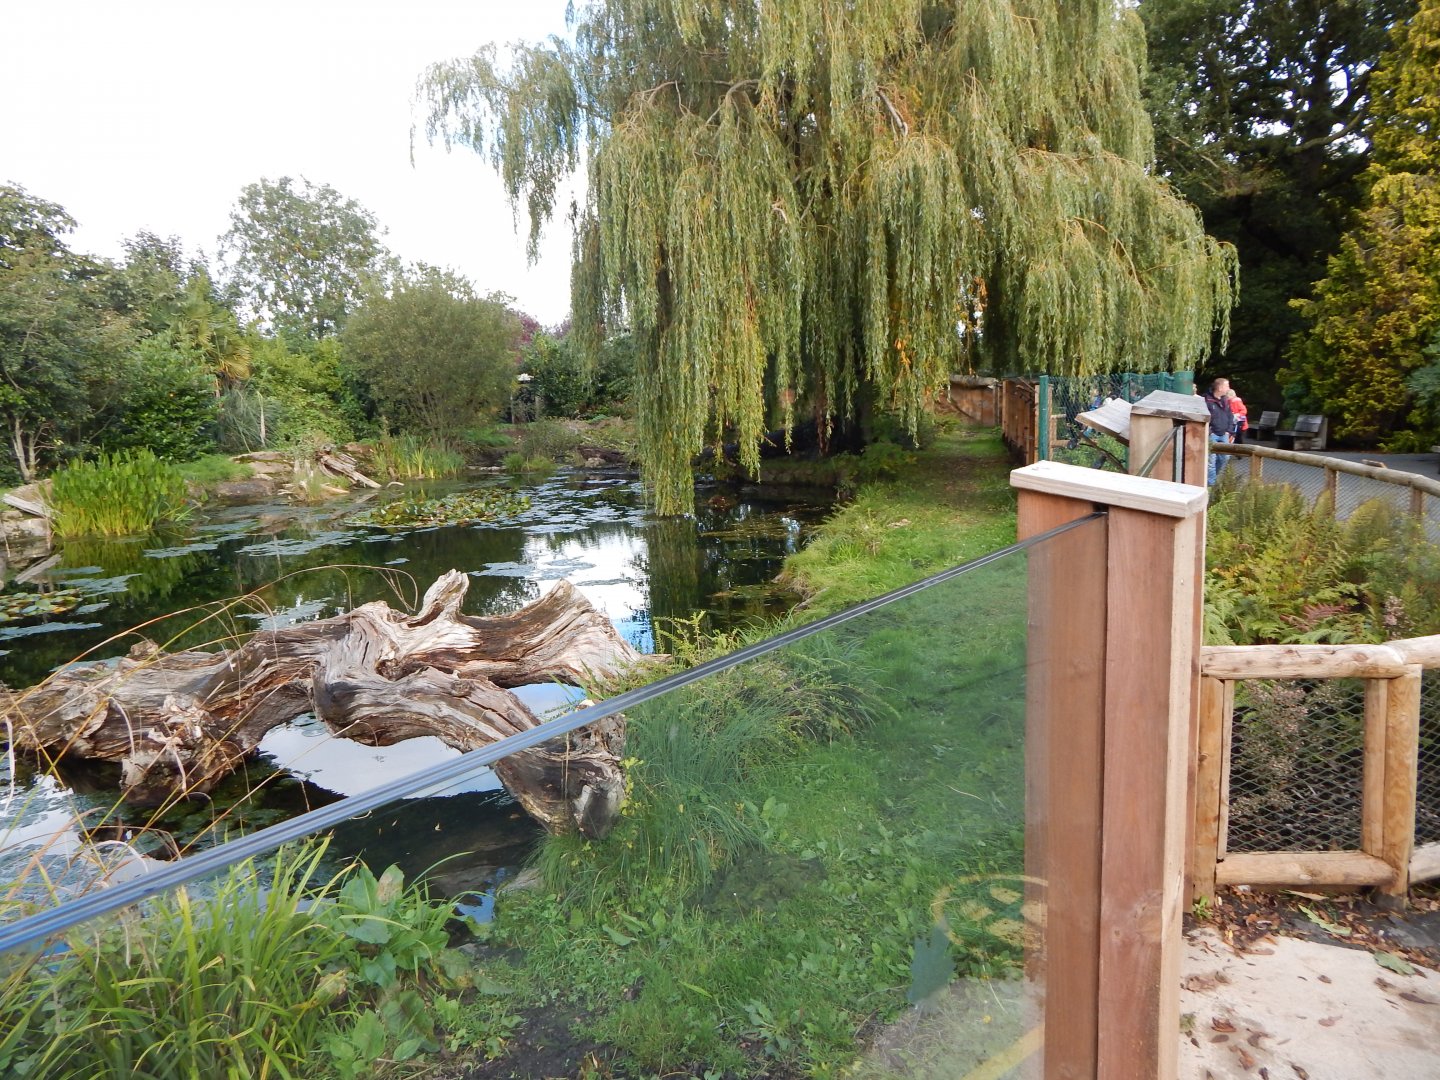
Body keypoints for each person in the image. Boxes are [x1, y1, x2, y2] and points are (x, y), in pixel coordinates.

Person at [1202, 378, 1237, 484]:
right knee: (1211, 462)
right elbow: (1204, 417)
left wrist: (1229, 431)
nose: (1229, 388)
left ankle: (1212, 480)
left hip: (1224, 434)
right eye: (1227, 386)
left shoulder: (1225, 401)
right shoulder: (1206, 400)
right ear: (1220, 387)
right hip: (1212, 434)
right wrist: (1209, 431)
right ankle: (1210, 485)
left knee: (1224, 458)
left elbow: (1230, 416)